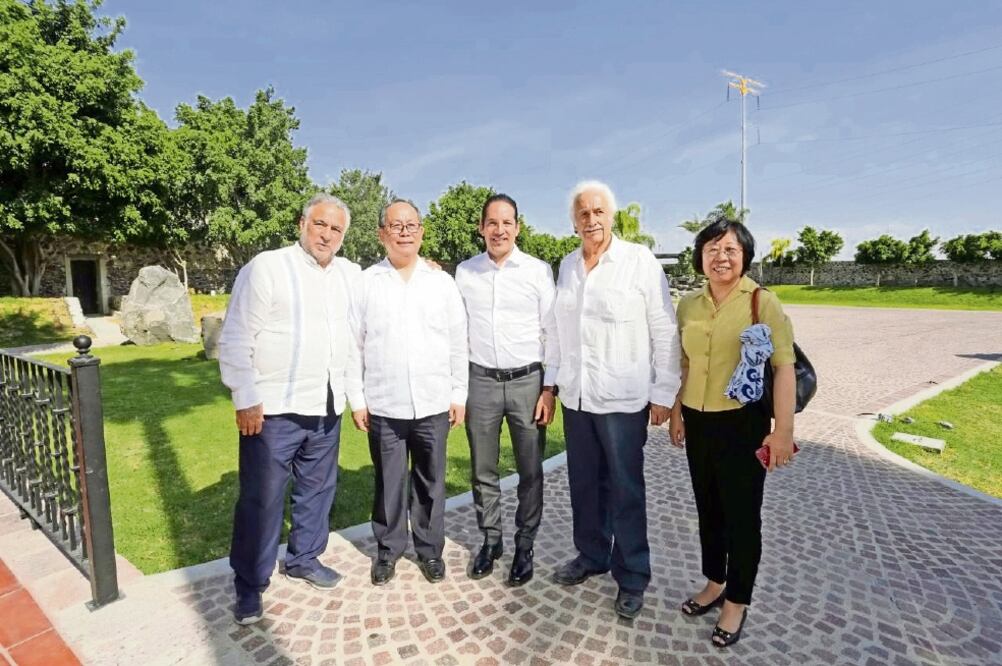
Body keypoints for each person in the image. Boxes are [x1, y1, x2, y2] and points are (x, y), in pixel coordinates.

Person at [218, 193, 360, 625]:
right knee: (261, 501)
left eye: (336, 229)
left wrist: (427, 265)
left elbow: (389, 281)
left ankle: (304, 559)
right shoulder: (267, 267)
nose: (327, 235)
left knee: (317, 492)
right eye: (320, 224)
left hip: (326, 405)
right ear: (302, 224)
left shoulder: (350, 275)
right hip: (273, 410)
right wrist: (245, 396)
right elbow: (236, 335)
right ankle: (250, 584)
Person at [551, 180, 682, 619]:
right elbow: (558, 332)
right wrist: (554, 383)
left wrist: (663, 392)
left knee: (625, 489)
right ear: (574, 222)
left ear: (611, 216)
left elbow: (664, 328)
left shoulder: (638, 261)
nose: (591, 220)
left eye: (598, 212)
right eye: (583, 214)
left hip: (623, 400)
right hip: (578, 398)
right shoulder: (568, 266)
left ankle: (632, 575)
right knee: (585, 485)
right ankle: (592, 555)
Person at [668, 218, 797, 648]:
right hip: (698, 419)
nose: (720, 257)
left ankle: (737, 600)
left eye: (730, 250)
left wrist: (782, 431)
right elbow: (685, 363)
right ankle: (714, 582)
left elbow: (783, 367)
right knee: (708, 508)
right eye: (712, 249)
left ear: (745, 256)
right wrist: (677, 412)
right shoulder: (688, 304)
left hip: (743, 423)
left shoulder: (763, 302)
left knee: (742, 516)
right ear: (700, 256)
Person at [346, 199, 468, 586]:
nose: (404, 232)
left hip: (433, 402)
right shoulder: (366, 283)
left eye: (411, 225)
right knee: (389, 483)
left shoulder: (441, 283)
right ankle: (388, 551)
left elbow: (458, 341)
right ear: (381, 233)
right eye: (396, 226)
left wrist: (459, 393)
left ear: (421, 232)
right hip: (384, 404)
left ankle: (430, 550)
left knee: (431, 481)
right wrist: (357, 399)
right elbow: (353, 346)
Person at [454, 193, 559, 586]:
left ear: (518, 226)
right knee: (483, 469)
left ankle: (525, 544)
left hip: (527, 383)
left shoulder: (537, 271)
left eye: (507, 223)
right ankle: (491, 540)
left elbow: (553, 332)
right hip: (480, 381)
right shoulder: (465, 272)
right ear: (481, 228)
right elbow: (455, 331)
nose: (499, 230)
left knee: (530, 470)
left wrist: (549, 388)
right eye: (492, 223)